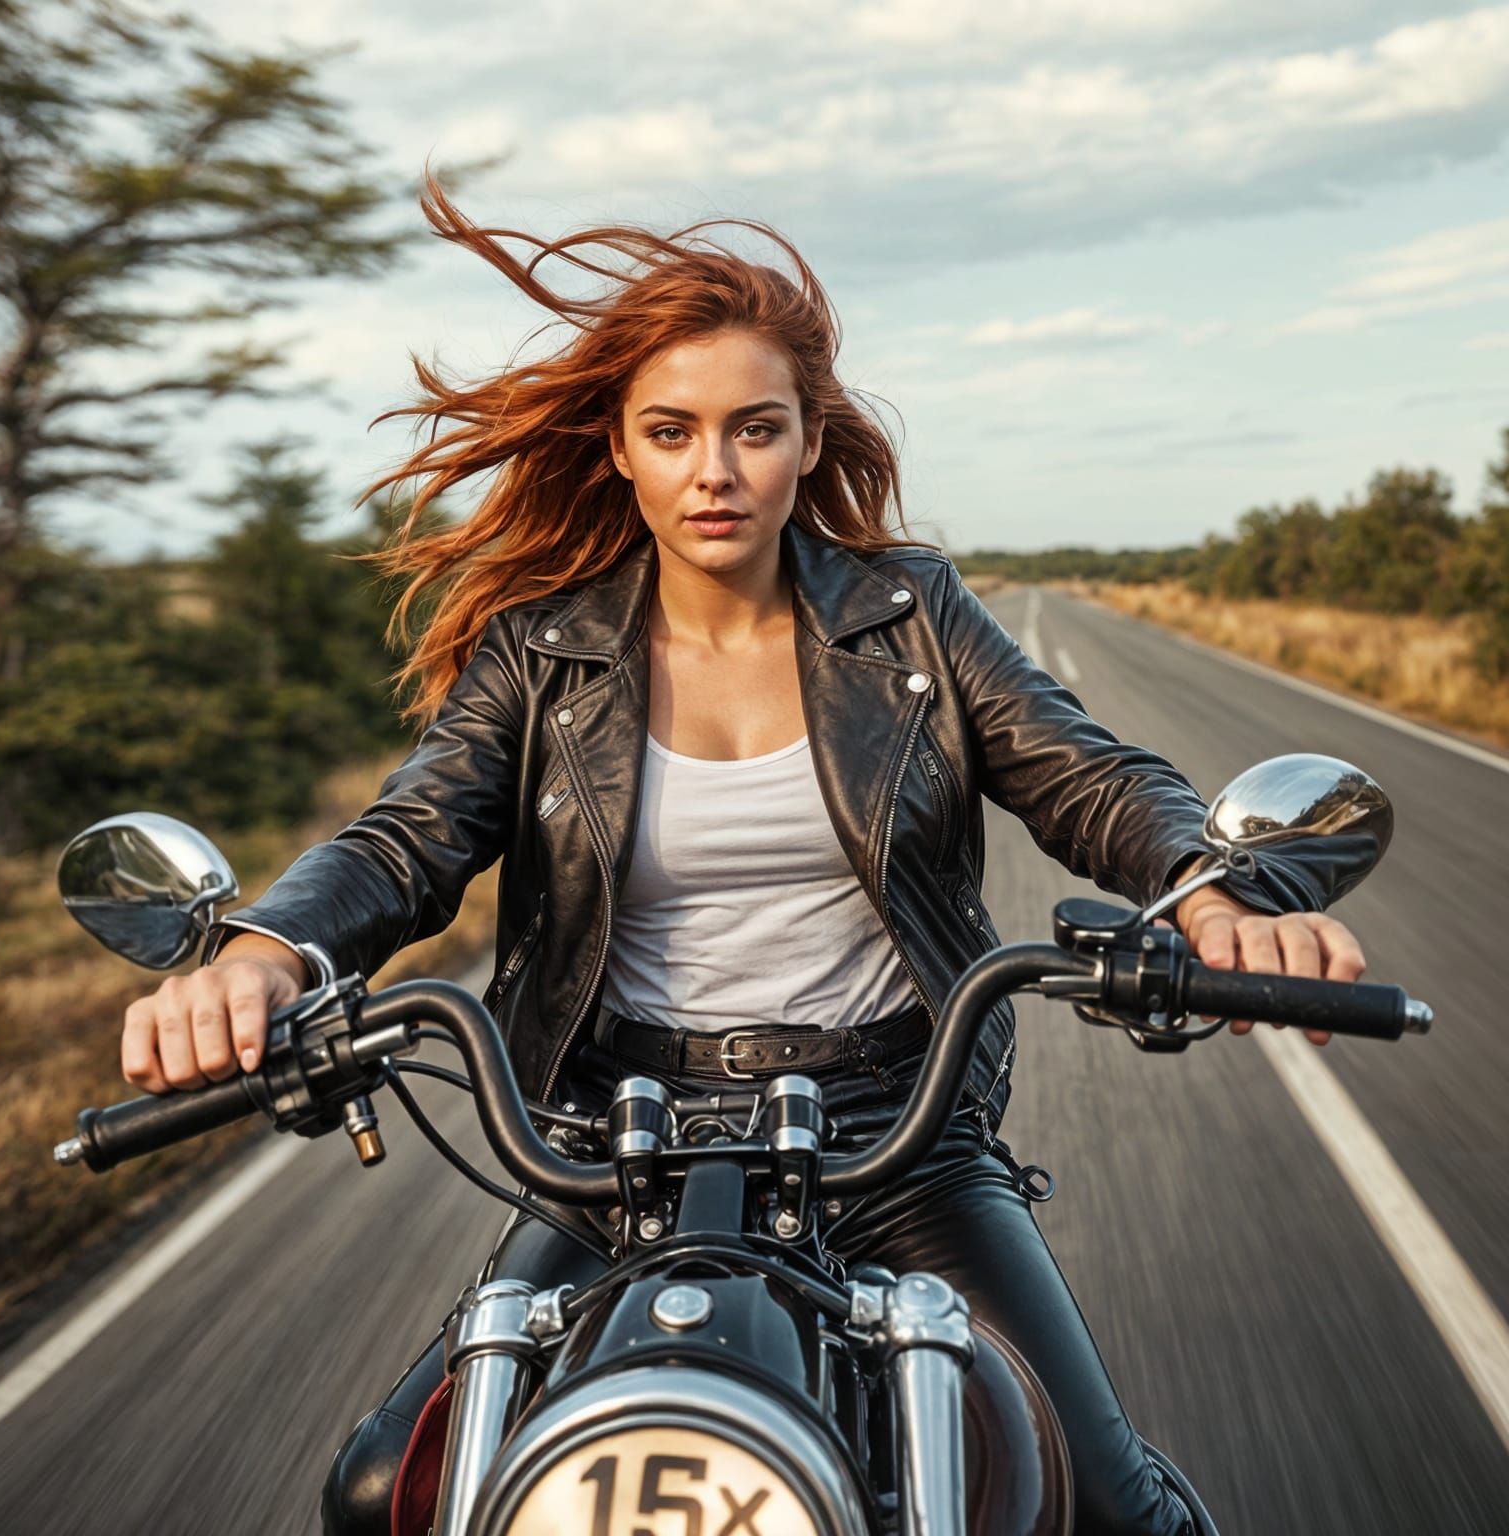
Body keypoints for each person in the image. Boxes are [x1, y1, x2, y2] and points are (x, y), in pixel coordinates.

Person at [119, 184, 1367, 1536]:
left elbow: (1089, 777)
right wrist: (260, 954)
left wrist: (1216, 885)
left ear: (804, 441)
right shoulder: (542, 655)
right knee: (384, 1487)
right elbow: (408, 838)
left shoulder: (913, 620)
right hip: (614, 1146)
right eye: (673, 431)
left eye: (753, 429)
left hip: (899, 1133)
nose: (714, 470)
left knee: (1112, 1508)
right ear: (622, 450)